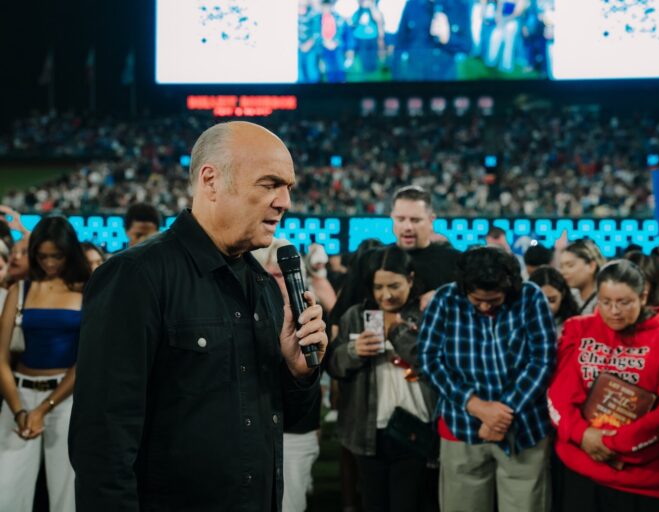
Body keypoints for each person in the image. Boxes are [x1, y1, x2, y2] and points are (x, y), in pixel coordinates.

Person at [68, 121, 328, 511]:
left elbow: (286, 419)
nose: (285, 201)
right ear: (211, 181)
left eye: (288, 187)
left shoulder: (262, 284)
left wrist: (298, 373)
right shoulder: (136, 276)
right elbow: (102, 443)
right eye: (270, 184)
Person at [547, 260, 659, 511]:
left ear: (643, 295)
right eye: (605, 302)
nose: (613, 311)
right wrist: (582, 434)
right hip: (580, 471)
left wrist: (613, 445)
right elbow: (559, 393)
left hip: (645, 483)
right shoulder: (579, 329)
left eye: (624, 303)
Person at [420, 247, 556, 512]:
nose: (484, 307)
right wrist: (476, 406)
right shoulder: (445, 299)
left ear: (509, 287)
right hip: (461, 426)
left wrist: (502, 414)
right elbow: (430, 360)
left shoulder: (531, 297)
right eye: (477, 300)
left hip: (523, 428)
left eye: (493, 300)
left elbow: (543, 360)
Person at [327, 245, 435, 512]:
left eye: (394, 286)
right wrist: (353, 351)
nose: (385, 295)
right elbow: (333, 365)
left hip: (415, 427)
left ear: (411, 279)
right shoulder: (356, 316)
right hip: (367, 429)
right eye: (378, 287)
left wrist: (397, 333)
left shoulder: (427, 313)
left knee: (407, 502)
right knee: (373, 502)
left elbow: (432, 361)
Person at [0, 216, 91, 512]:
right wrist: (19, 410)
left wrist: (44, 408)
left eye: (57, 255)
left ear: (70, 253)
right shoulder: (21, 290)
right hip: (19, 395)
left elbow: (86, 360)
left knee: (66, 497)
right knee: (7, 493)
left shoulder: (86, 289)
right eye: (42, 256)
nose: (50, 263)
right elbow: (1, 357)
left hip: (66, 400)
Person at [253, 238, 322, 512]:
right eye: (270, 275)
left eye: (282, 274)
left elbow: (312, 381)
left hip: (295, 431)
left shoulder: (310, 316)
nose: (277, 281)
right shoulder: (246, 315)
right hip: (255, 427)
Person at [390, 185, 460, 310]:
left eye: (415, 220)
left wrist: (444, 297)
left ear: (431, 220)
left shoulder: (454, 261)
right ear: (392, 219)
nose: (408, 227)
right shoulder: (379, 259)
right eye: (400, 219)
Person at [394, 0, 473, 81]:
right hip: (416, 79)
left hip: (445, 79)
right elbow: (399, 45)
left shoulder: (459, 6)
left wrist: (448, 39)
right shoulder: (412, 5)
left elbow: (467, 46)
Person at [559, 238, 606, 315]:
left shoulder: (605, 300)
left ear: (591, 266)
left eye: (570, 265)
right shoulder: (568, 299)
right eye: (561, 267)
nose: (563, 272)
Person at [528, 265, 578, 335]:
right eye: (540, 300)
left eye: (552, 300)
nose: (546, 306)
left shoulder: (576, 326)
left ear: (563, 294)